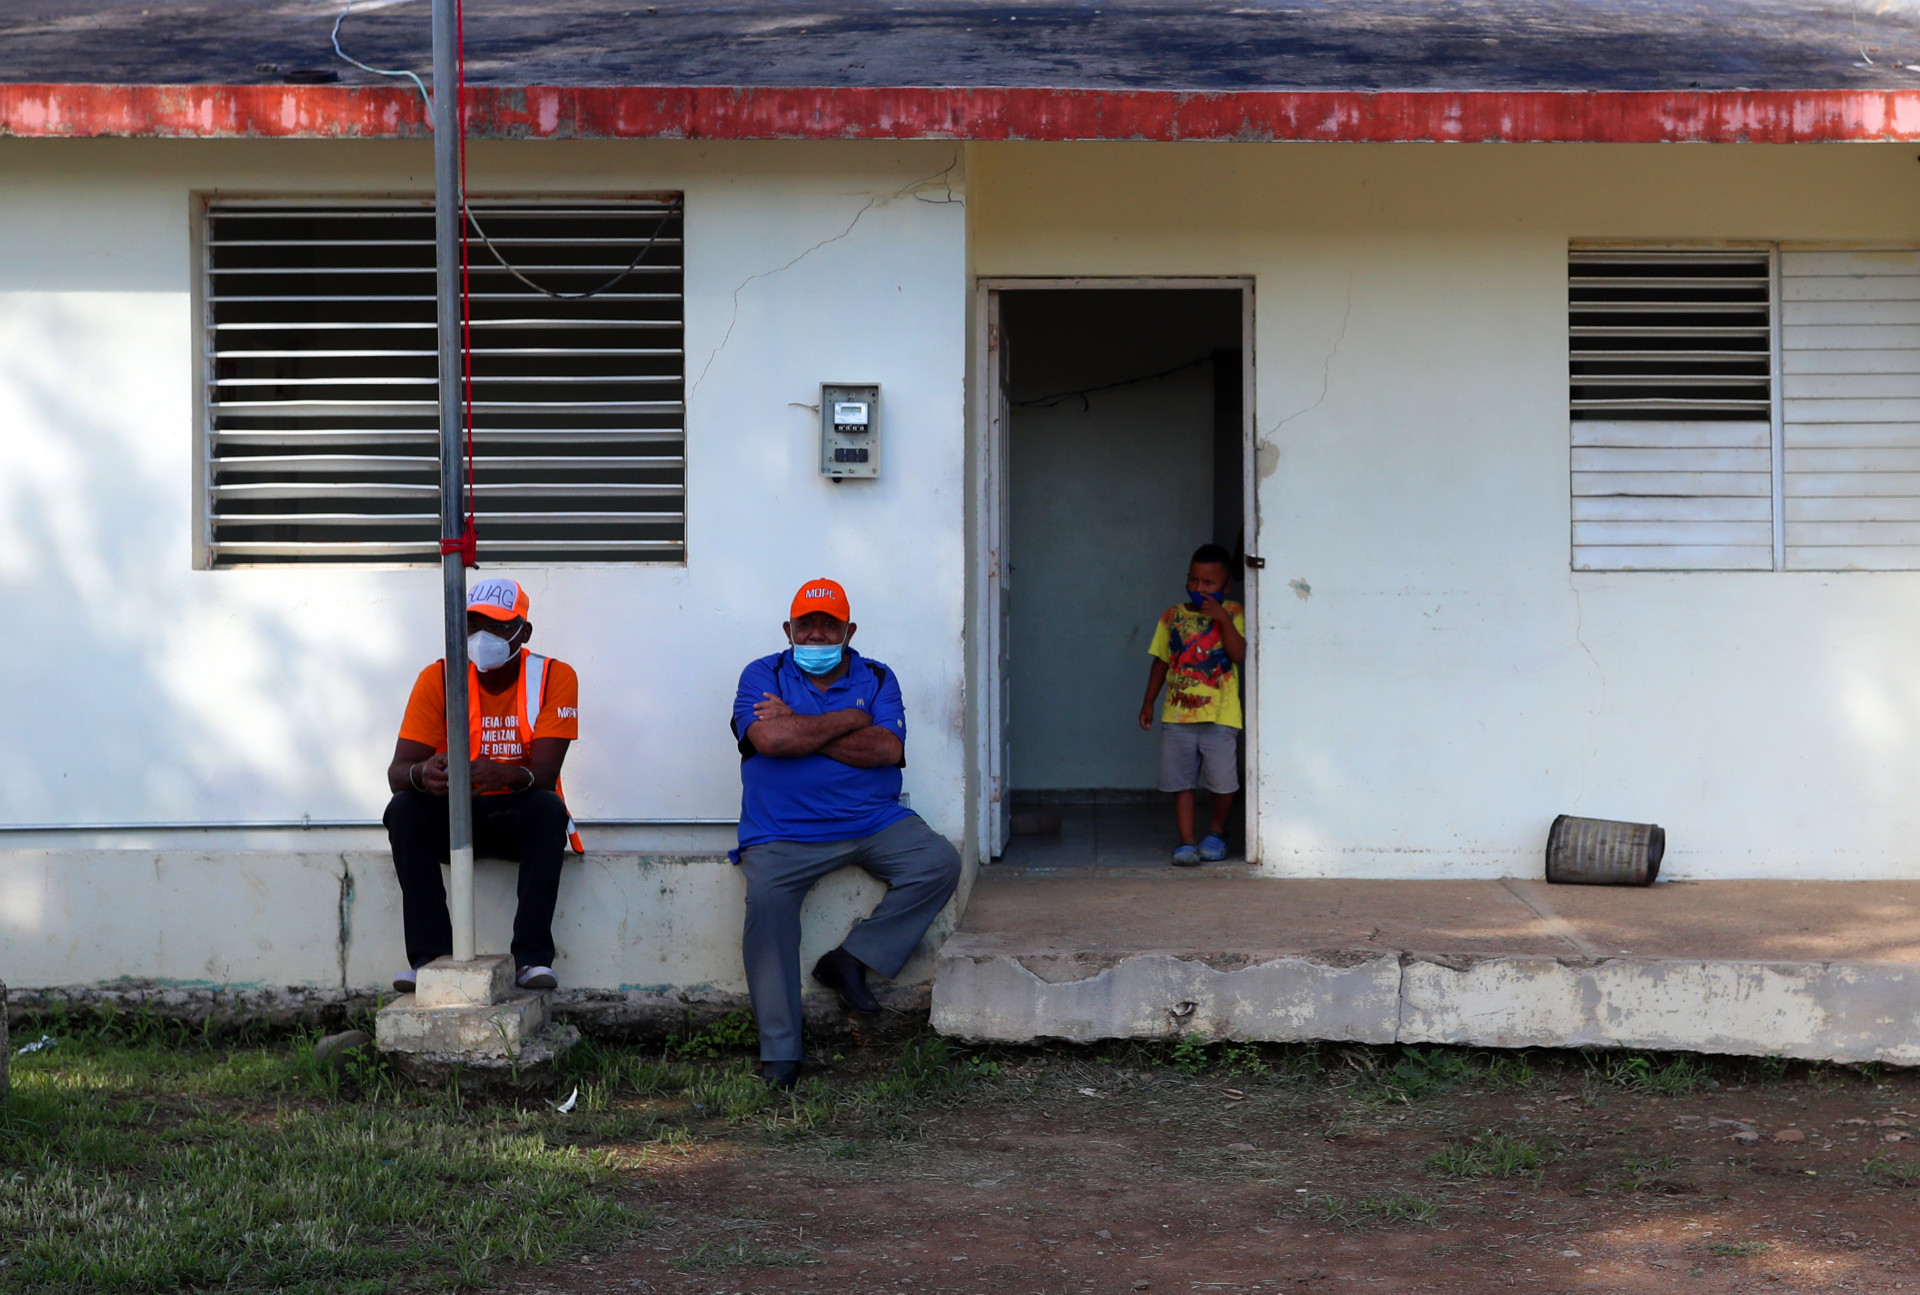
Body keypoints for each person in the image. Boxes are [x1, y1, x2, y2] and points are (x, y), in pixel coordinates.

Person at [730, 577, 962, 1089]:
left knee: (938, 862)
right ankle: (781, 1053)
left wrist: (801, 723)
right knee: (767, 907)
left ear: (849, 631)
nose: (817, 634)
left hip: (872, 820)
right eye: (806, 624)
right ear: (788, 629)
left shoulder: (877, 676)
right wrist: (851, 719)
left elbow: (885, 749)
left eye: (829, 625)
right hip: (781, 832)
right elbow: (771, 740)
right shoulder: (762, 673)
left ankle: (851, 958)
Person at [384, 578, 583, 993]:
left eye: (496, 626)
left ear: (523, 632)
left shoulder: (553, 676)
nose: (481, 637)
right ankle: (429, 960)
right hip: (454, 816)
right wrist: (425, 774)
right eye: (472, 625)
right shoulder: (439, 677)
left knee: (548, 808)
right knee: (403, 809)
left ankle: (531, 959)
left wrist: (509, 775)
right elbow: (397, 773)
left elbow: (545, 775)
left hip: (516, 817)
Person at [1137, 543, 1248, 866]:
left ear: (1226, 586)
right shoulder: (1172, 616)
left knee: (1223, 782)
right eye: (1193, 580)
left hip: (1221, 717)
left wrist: (1223, 619)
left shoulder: (1235, 612)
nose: (1199, 588)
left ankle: (1216, 832)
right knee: (1181, 782)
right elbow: (1161, 661)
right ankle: (1186, 841)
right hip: (1178, 715)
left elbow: (1238, 654)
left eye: (1209, 583)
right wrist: (1148, 702)